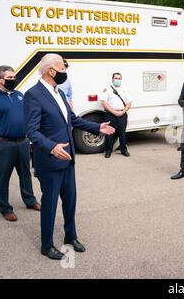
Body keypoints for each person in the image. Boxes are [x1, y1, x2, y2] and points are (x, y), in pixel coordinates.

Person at [24, 54, 115, 260]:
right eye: (63, 69)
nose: (66, 73)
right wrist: (51, 146)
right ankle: (46, 245)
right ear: (51, 71)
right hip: (50, 161)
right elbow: (31, 130)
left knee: (70, 201)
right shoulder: (34, 95)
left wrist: (97, 126)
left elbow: (72, 119)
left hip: (68, 159)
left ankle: (70, 237)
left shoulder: (60, 93)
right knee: (50, 204)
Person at [0, 65, 40, 222]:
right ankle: (5, 208)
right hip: (3, 144)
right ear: (0, 80)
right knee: (2, 178)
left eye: (14, 77)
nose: (13, 80)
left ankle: (30, 200)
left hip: (23, 142)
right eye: (9, 78)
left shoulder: (19, 95)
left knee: (25, 174)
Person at [100, 72, 133, 158]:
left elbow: (129, 103)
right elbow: (104, 103)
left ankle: (123, 150)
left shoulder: (125, 89)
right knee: (110, 133)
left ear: (121, 80)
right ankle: (108, 150)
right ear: (112, 79)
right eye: (116, 78)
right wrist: (113, 112)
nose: (117, 80)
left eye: (119, 78)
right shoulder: (107, 89)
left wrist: (123, 111)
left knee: (122, 133)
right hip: (110, 114)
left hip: (122, 114)